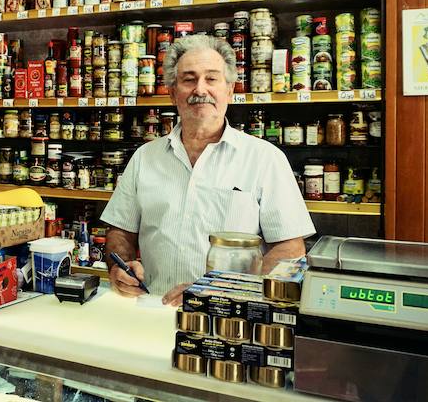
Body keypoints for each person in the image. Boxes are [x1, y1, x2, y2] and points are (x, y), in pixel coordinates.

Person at [101, 34, 315, 306]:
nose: (200, 89)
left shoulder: (265, 159)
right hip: (153, 309)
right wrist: (119, 267)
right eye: (188, 79)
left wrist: (223, 291)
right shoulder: (144, 157)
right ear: (172, 93)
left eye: (211, 78)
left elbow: (289, 249)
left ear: (230, 89)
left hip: (230, 319)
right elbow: (120, 231)